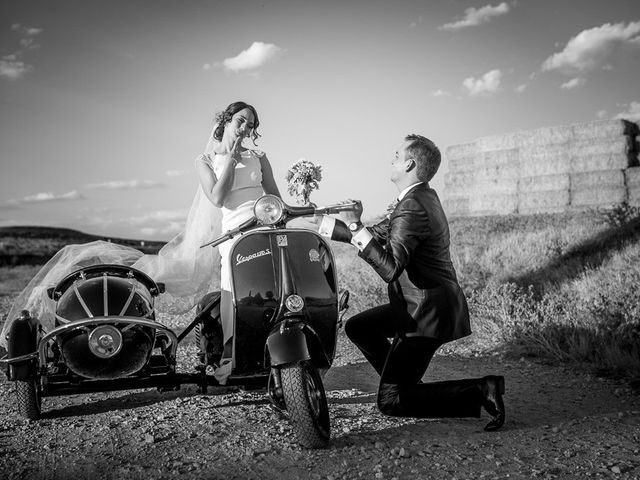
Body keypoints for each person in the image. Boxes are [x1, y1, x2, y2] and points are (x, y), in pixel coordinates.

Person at [1, 102, 281, 384]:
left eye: (251, 124)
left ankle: (276, 350)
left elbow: (274, 195)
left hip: (264, 226)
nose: (245, 128)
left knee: (271, 288)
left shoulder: (259, 156)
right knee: (234, 294)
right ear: (227, 120)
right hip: (233, 234)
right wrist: (231, 160)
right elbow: (218, 198)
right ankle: (232, 357)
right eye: (241, 121)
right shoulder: (206, 160)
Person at [317, 134, 506, 431]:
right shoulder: (420, 197)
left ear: (409, 164)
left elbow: (390, 268)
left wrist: (355, 223)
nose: (391, 160)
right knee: (359, 327)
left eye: (396, 155)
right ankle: (406, 384)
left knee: (390, 403)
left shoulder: (413, 206)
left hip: (426, 314)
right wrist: (316, 221)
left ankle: (483, 390)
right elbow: (375, 235)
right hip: (421, 304)